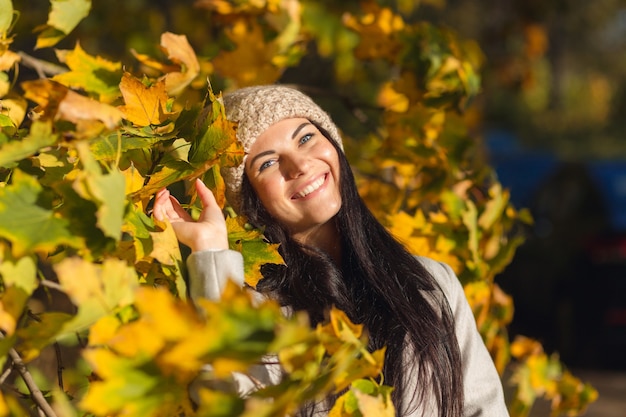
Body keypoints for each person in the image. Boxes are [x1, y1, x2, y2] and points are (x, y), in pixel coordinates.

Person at [153, 85, 510, 417]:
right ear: (251, 200)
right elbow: (228, 402)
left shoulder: (431, 283)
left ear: (333, 145)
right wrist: (211, 253)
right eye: (268, 163)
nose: (300, 165)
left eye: (306, 138)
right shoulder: (258, 312)